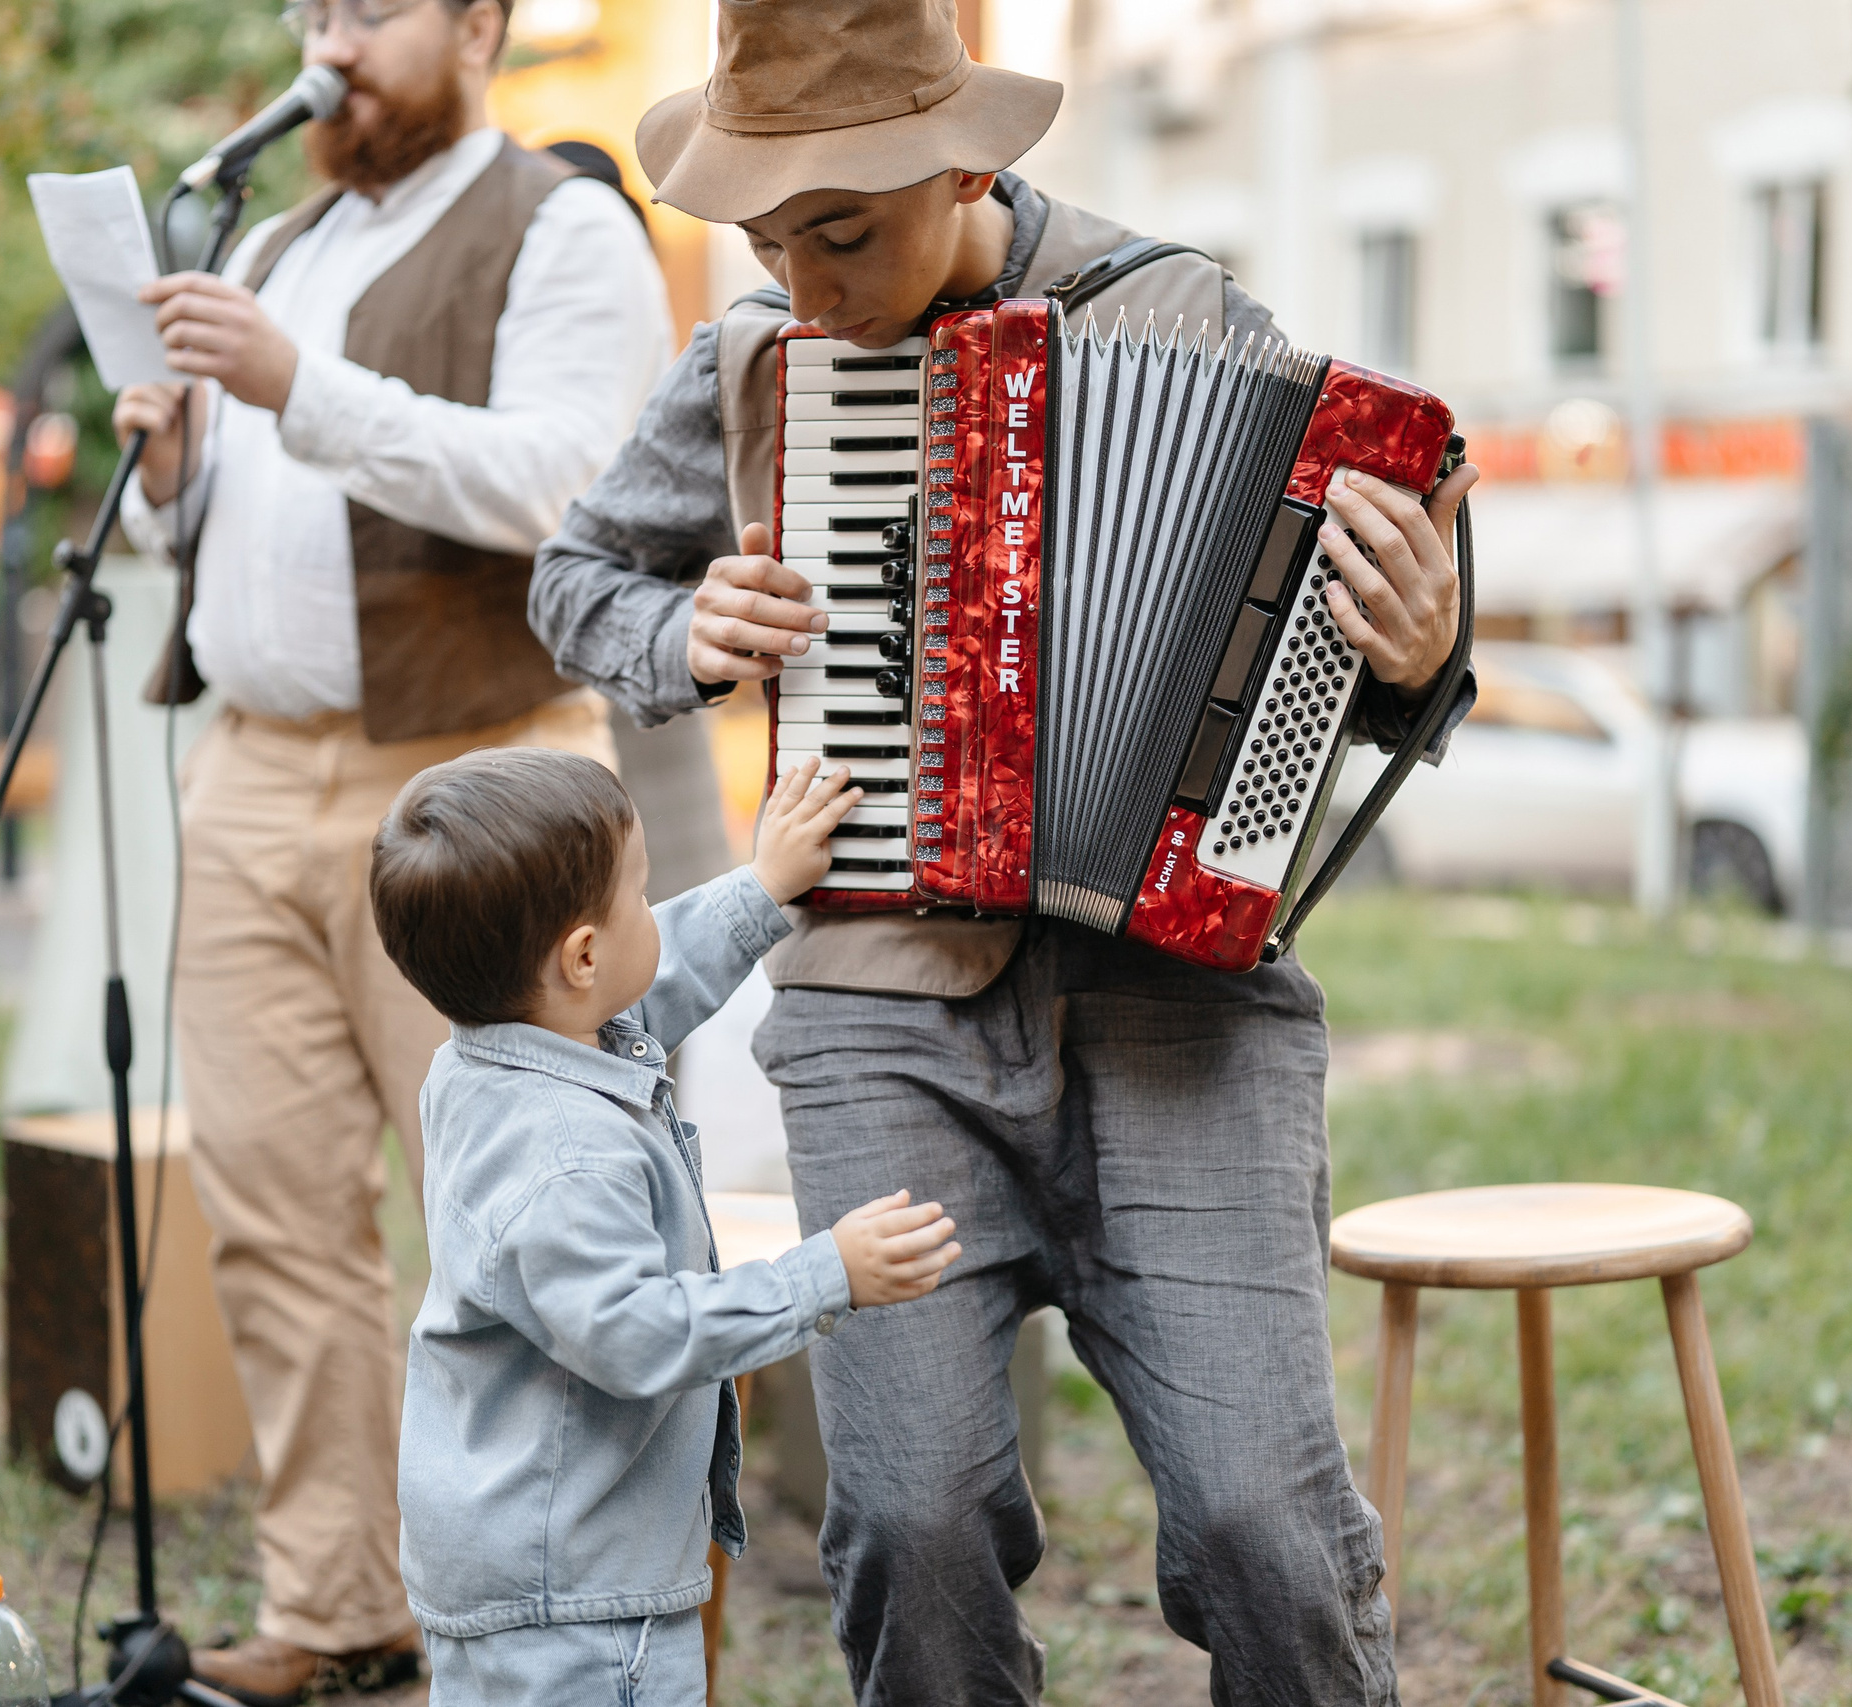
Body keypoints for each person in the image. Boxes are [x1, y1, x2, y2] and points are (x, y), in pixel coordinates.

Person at [527, 3, 1482, 1701]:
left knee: (1267, 1521)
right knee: (914, 1521)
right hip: (877, 1008)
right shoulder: (756, 364)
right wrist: (687, 627)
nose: (804, 287)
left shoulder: (1183, 315)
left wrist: (1417, 648)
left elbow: (1347, 653)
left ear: (968, 157)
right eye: (764, 240)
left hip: (1173, 999)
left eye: (844, 233)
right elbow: (575, 583)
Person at [104, 0, 670, 1695]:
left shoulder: (561, 227)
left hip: (477, 781)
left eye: (376, 5)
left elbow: (572, 484)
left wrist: (302, 388)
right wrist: (176, 468)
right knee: (276, 1216)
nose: (331, 36)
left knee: (512, 1222)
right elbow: (232, 526)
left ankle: (555, 1631)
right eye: (315, 7)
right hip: (256, 772)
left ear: (483, 22)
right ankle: (344, 1608)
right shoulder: (278, 238)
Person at [372, 749, 959, 1705]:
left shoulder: (491, 1058)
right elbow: (642, 1334)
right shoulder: (568, 1157)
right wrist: (822, 1276)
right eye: (642, 895)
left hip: (513, 1571)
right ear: (584, 956)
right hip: (583, 1608)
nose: (655, 911)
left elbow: (645, 984)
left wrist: (765, 887)